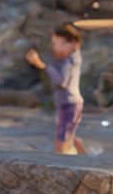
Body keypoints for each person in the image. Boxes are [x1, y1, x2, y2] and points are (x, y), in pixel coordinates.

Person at [26, 24, 85, 154]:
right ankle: (82, 156)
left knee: (62, 139)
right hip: (67, 103)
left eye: (58, 44)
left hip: (70, 104)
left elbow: (61, 81)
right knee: (66, 135)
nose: (54, 48)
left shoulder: (69, 61)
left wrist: (41, 65)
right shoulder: (69, 58)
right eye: (53, 44)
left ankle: (64, 163)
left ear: (72, 44)